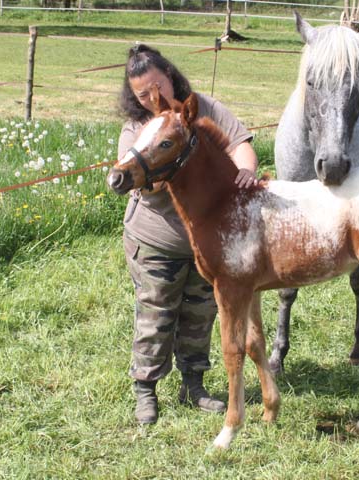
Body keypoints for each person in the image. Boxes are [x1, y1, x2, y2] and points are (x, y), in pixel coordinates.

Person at [117, 43, 258, 424]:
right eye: (141, 94)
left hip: (208, 240)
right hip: (157, 240)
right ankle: (145, 390)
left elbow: (239, 143)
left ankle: (193, 384)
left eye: (155, 86)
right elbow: (139, 179)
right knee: (156, 314)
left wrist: (245, 170)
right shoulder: (138, 129)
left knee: (201, 312)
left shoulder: (202, 109)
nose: (150, 98)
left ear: (170, 77)